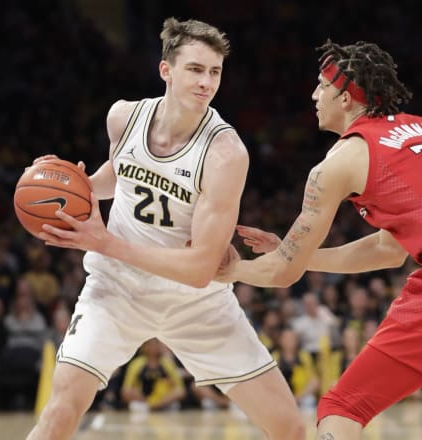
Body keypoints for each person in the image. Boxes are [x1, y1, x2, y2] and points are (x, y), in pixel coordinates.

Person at [218, 39, 422, 439]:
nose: (313, 95)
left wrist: (228, 270)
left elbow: (282, 274)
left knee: (342, 408)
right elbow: (387, 249)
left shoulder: (340, 161)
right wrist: (298, 252)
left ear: (345, 97)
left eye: (321, 86)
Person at [27, 18, 305, 440]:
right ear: (166, 70)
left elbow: (199, 269)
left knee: (289, 428)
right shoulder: (124, 117)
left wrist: (107, 243)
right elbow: (118, 175)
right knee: (60, 412)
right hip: (116, 288)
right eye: (195, 69)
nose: (206, 82)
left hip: (194, 301)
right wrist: (63, 181)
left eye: (214, 72)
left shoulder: (226, 153)